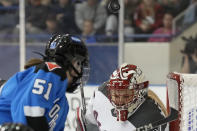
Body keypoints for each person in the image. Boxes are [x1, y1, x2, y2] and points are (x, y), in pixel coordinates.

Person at [0, 34, 89, 131]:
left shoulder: (63, 104)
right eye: (79, 64)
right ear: (71, 62)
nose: (80, 71)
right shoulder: (52, 70)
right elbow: (29, 111)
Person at [76, 63, 168, 131]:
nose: (119, 102)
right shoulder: (101, 93)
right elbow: (89, 124)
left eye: (126, 96)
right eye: (116, 95)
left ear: (139, 94)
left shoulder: (154, 117)